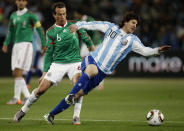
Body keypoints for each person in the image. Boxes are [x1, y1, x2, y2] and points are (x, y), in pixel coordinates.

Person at [15, 11, 171, 125]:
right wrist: (79, 25)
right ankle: (71, 96)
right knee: (90, 72)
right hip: (92, 59)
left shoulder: (133, 40)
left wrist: (157, 51)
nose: (134, 27)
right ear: (126, 22)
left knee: (79, 95)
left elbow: (145, 51)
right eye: (133, 23)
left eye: (136, 25)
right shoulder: (111, 28)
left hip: (102, 72)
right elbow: (93, 24)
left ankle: (51, 115)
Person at [14, 2, 95, 125]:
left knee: (79, 86)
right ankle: (23, 110)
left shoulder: (75, 25)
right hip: (58, 64)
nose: (62, 16)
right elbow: (48, 53)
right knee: (41, 90)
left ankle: (76, 116)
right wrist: (44, 72)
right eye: (59, 14)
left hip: (75, 62)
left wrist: (93, 52)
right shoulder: (51, 32)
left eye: (64, 14)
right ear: (54, 15)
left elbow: (86, 39)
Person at [2, 0, 46, 105]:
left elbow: (40, 29)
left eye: (23, 0)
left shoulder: (31, 16)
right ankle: (20, 97)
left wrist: (44, 44)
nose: (20, 2)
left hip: (26, 44)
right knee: (15, 73)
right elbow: (11, 31)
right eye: (18, 0)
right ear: (16, 2)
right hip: (16, 45)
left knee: (19, 71)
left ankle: (22, 97)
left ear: (26, 2)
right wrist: (6, 43)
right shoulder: (13, 15)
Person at [73, 9, 105, 90]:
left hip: (95, 42)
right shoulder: (78, 20)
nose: (75, 15)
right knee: (81, 59)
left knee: (97, 62)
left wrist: (92, 45)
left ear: (78, 13)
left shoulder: (89, 19)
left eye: (75, 14)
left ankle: (100, 83)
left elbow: (94, 32)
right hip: (86, 42)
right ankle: (82, 80)